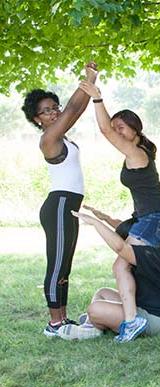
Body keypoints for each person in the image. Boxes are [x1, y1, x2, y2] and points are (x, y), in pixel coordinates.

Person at [78, 81, 160, 340]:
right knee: (123, 266)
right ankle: (127, 315)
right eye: (116, 128)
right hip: (149, 218)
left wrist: (97, 98)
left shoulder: (136, 152)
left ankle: (131, 320)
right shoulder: (136, 153)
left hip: (154, 220)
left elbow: (104, 129)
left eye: (121, 128)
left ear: (135, 131)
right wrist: (105, 217)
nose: (116, 132)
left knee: (121, 264)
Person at [21, 61, 98, 337]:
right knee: (56, 264)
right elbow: (74, 110)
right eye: (46, 111)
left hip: (69, 206)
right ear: (37, 119)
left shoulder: (62, 136)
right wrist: (89, 80)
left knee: (65, 263)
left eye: (54, 107)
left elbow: (73, 109)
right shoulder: (48, 139)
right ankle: (54, 324)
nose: (53, 113)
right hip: (60, 205)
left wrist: (88, 83)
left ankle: (63, 319)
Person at [59, 208, 160, 342]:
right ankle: (93, 325)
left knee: (94, 309)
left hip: (156, 321)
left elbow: (120, 246)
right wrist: (106, 218)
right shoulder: (151, 245)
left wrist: (95, 223)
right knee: (102, 293)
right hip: (144, 308)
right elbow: (126, 231)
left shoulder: (150, 255)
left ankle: (95, 325)